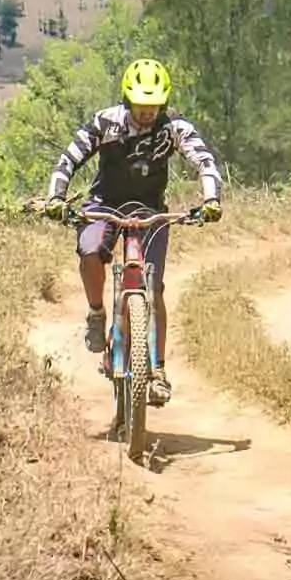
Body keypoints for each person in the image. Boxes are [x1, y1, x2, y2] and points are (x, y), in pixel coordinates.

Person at [40, 57, 222, 407]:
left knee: (153, 289)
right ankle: (96, 313)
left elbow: (204, 160)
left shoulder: (174, 128)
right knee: (90, 250)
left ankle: (158, 371)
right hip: (103, 203)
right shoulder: (105, 122)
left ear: (163, 103)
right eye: (141, 105)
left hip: (149, 210)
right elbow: (69, 158)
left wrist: (212, 200)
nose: (147, 113)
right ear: (128, 100)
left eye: (154, 106)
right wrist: (56, 197)